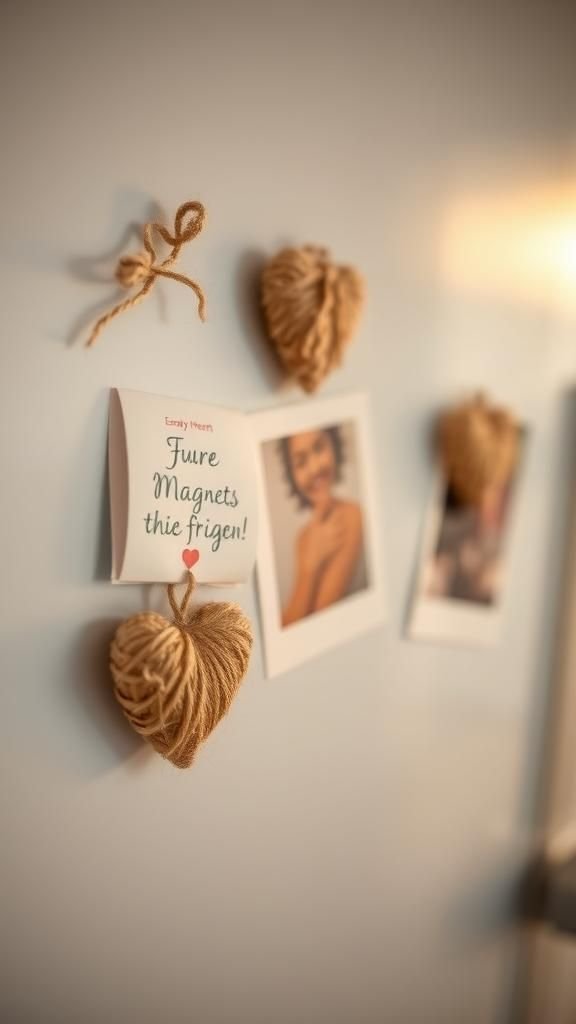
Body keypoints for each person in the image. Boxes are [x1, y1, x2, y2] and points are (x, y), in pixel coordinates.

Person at [278, 426, 366, 626]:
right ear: (292, 476)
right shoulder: (302, 537)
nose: (314, 468)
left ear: (334, 446)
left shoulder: (352, 515)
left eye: (319, 448)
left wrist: (308, 568)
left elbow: (320, 616)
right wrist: (309, 566)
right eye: (301, 462)